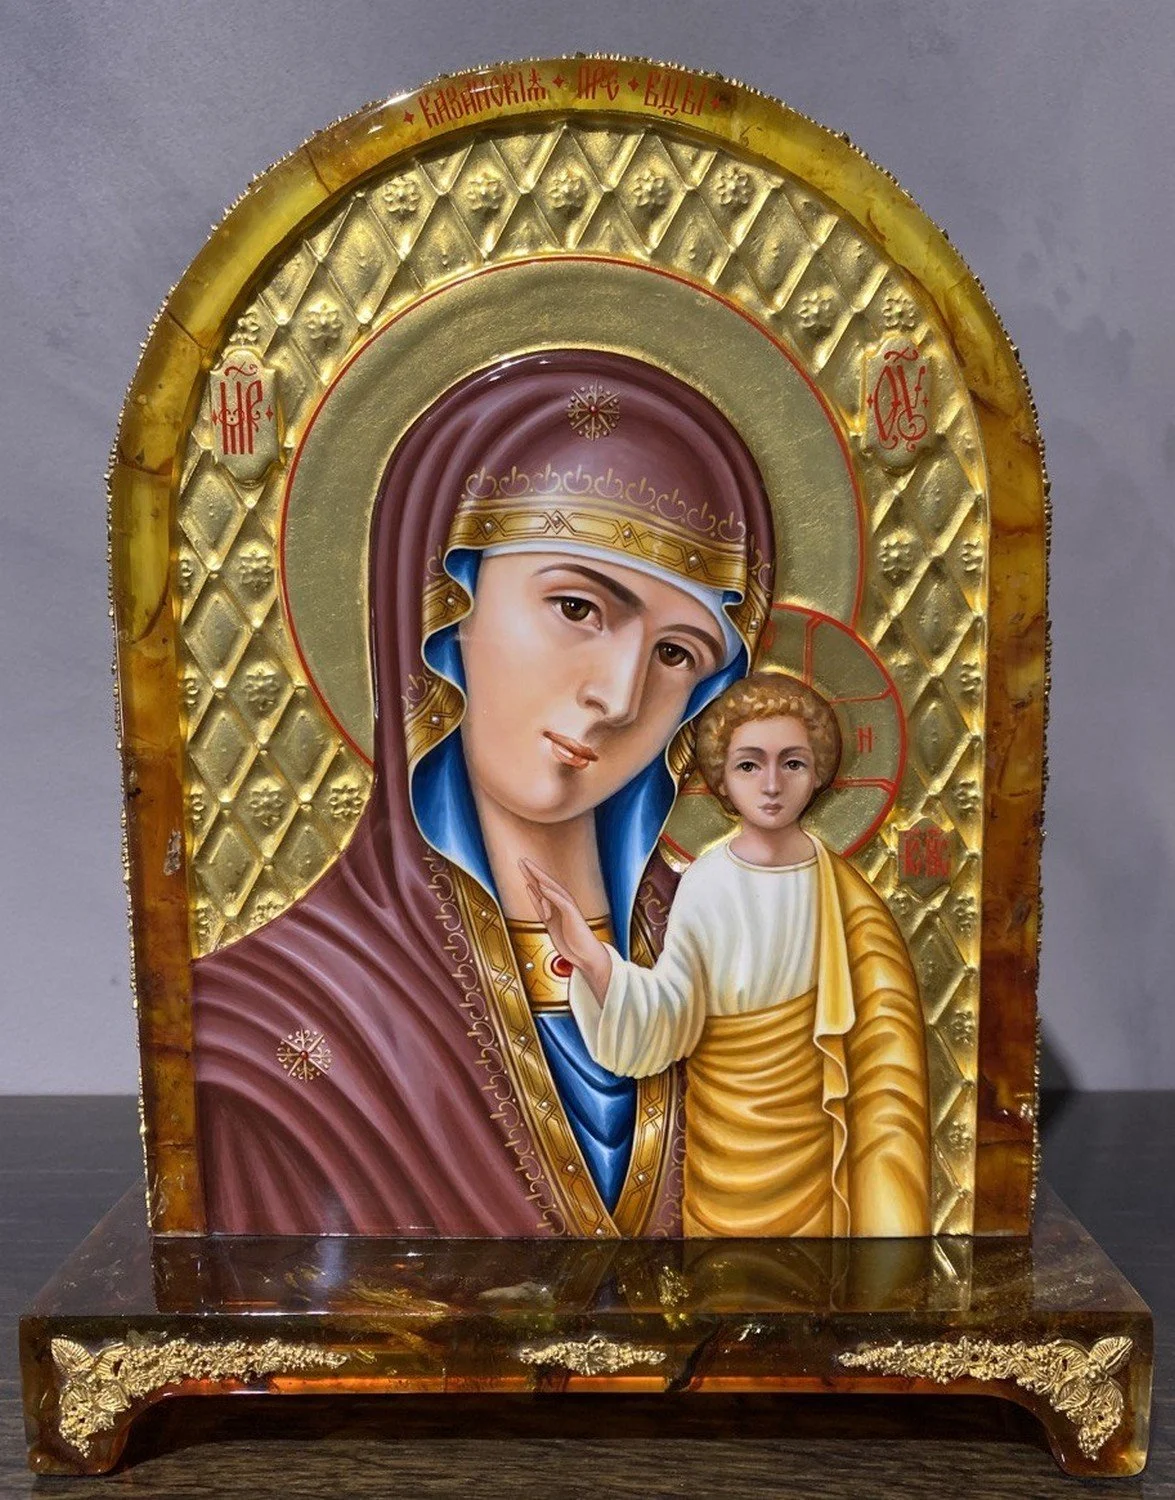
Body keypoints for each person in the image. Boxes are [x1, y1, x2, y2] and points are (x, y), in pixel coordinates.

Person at [191, 350, 776, 1237]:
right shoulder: (270, 1034)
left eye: (675, 654)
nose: (619, 698)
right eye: (577, 607)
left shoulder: (731, 961)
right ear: (441, 609)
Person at [521, 672, 932, 1238]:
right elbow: (672, 1018)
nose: (771, 785)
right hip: (723, 1154)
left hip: (819, 1158)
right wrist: (592, 958)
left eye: (792, 763)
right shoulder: (707, 882)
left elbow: (887, 1057)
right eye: (749, 765)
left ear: (818, 772)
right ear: (721, 776)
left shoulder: (847, 901)